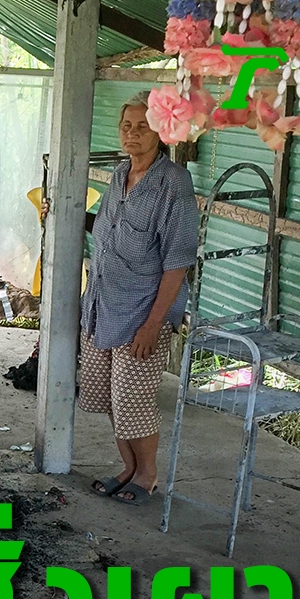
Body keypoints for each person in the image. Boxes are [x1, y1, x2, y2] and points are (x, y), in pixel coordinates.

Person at [80, 91, 199, 506]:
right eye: (126, 126)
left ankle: (147, 475)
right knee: (108, 395)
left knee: (134, 398)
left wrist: (153, 324)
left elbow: (178, 262)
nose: (132, 134)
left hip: (142, 311)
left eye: (142, 127)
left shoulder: (174, 183)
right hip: (102, 305)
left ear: (161, 132)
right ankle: (128, 467)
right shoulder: (119, 175)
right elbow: (109, 231)